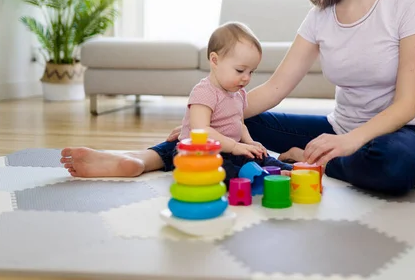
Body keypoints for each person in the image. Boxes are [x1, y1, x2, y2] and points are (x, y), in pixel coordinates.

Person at [61, 0, 415, 196]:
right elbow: (274, 89)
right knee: (232, 120)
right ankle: (145, 159)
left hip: (402, 134)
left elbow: (406, 105)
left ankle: (304, 162)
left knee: (394, 165)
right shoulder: (322, 14)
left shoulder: (408, 0)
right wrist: (199, 123)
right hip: (336, 128)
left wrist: (338, 145)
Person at [61, 22, 292, 180]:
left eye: (251, 72)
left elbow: (239, 123)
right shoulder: (205, 92)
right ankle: (263, 174)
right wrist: (235, 146)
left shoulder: (238, 93)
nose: (246, 78)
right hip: (197, 153)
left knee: (255, 154)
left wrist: (249, 142)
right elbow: (201, 130)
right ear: (215, 60)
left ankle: (286, 169)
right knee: (228, 167)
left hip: (224, 150)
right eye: (241, 70)